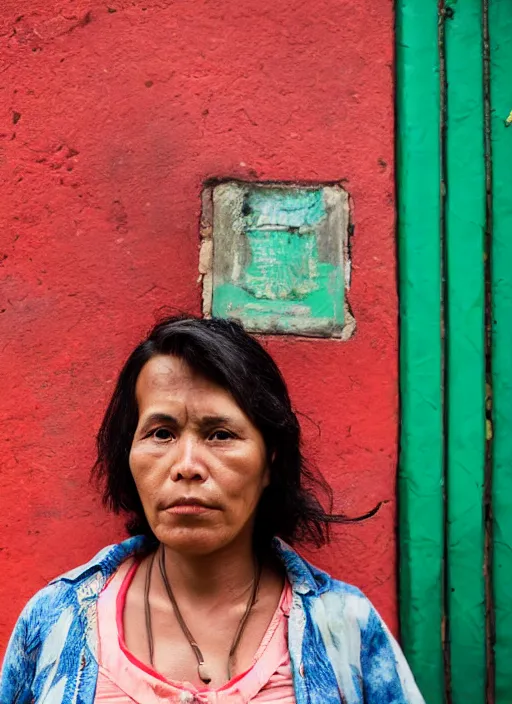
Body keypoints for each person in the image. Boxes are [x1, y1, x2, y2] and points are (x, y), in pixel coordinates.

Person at [0, 316, 424, 703]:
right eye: (161, 433)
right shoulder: (56, 619)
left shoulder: (344, 627)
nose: (187, 466)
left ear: (270, 461)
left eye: (220, 435)